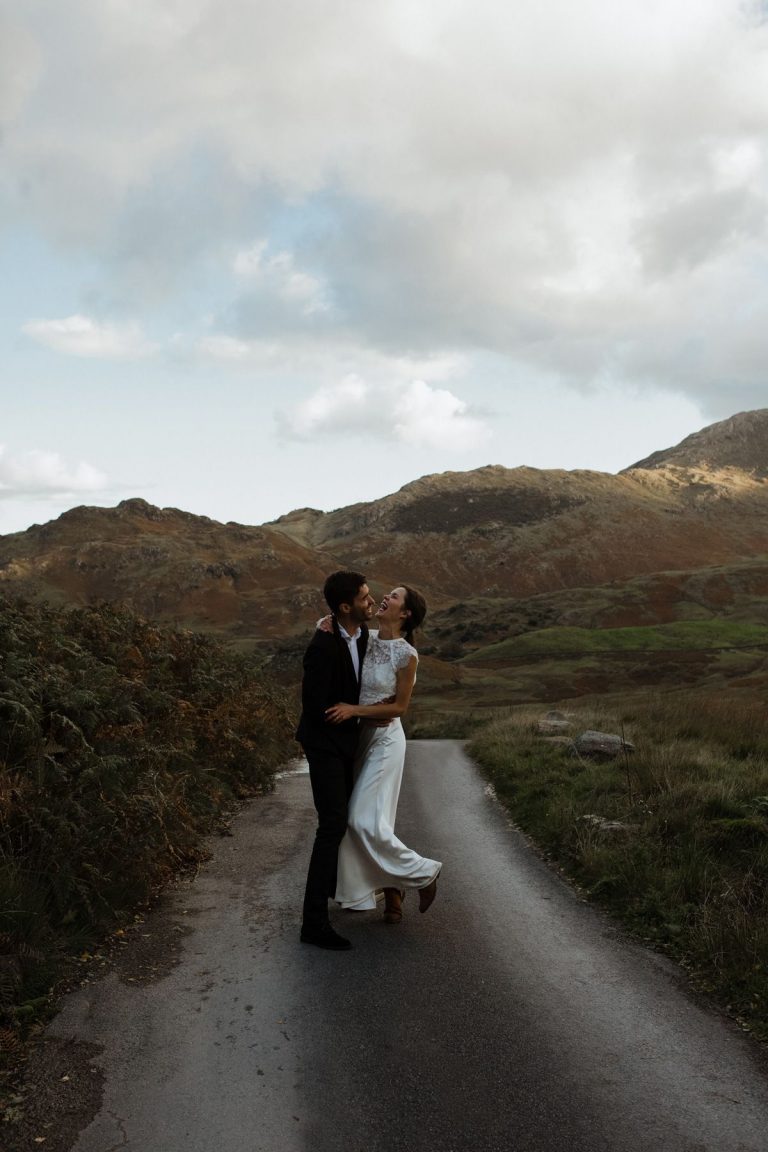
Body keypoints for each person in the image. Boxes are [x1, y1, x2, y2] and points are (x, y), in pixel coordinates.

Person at [325, 586, 441, 924]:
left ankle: (423, 874)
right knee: (369, 820)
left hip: (387, 741)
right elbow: (339, 627)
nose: (384, 597)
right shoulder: (365, 638)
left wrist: (353, 710)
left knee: (361, 818)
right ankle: (391, 887)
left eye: (393, 596)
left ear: (405, 613)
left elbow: (399, 707)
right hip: (360, 740)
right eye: (386, 593)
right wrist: (323, 621)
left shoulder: (407, 654)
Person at [296, 570, 374, 951]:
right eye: (364, 597)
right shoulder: (322, 645)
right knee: (331, 826)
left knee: (342, 822)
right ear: (346, 607)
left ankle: (333, 887)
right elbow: (313, 706)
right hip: (325, 745)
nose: (370, 601)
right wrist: (343, 718)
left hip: (348, 747)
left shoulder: (361, 638)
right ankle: (313, 924)